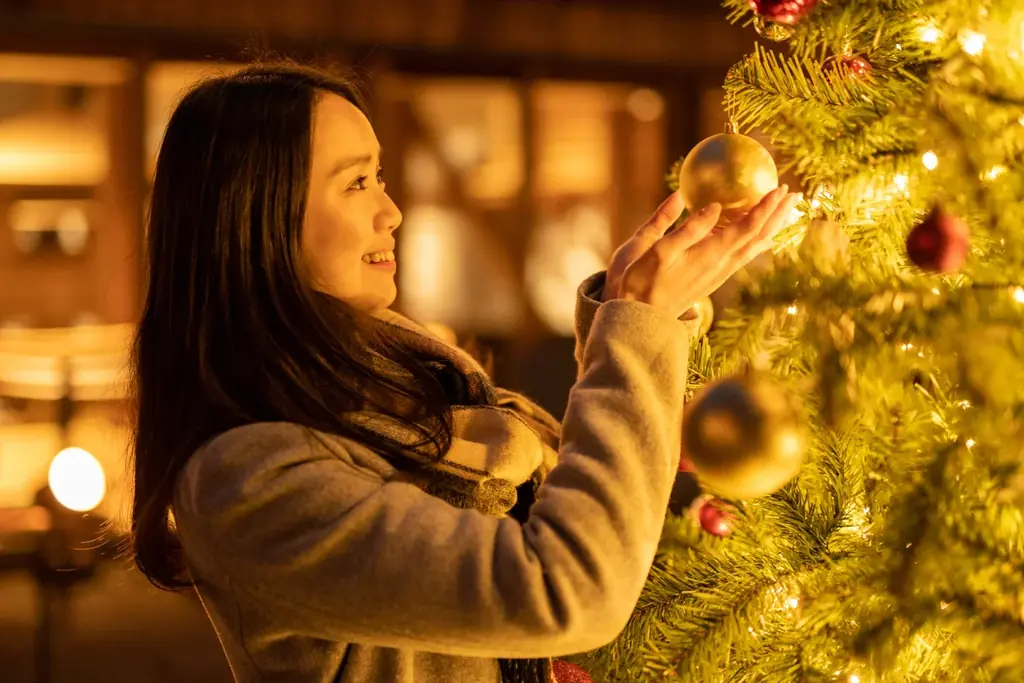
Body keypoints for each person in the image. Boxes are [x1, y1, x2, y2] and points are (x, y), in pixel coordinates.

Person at [127, 63, 800, 683]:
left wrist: (630, 321)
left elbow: (583, 508)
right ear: (259, 215)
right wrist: (635, 329)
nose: (389, 211)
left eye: (381, 178)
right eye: (356, 181)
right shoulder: (251, 479)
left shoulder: (400, 395)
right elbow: (563, 587)